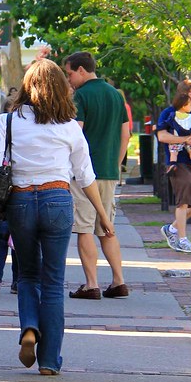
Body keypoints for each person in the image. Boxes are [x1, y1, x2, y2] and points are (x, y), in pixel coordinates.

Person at [0, 59, 112, 376]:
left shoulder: (8, 122)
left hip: (21, 200)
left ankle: (29, 327)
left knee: (27, 274)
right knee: (53, 282)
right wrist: (102, 215)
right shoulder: (68, 126)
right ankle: (50, 360)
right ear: (60, 88)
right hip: (57, 199)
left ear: (27, 87)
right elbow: (85, 175)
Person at [62, 52, 129, 300]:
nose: (69, 79)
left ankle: (91, 284)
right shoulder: (115, 95)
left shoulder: (81, 96)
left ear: (81, 70)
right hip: (109, 171)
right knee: (107, 228)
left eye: (69, 73)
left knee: (84, 228)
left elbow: (75, 135)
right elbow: (126, 134)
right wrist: (116, 162)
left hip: (85, 173)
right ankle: (118, 280)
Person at [156, 82, 191, 253]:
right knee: (183, 202)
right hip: (177, 163)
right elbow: (162, 136)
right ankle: (182, 239)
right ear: (184, 94)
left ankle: (172, 229)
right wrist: (184, 139)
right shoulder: (168, 113)